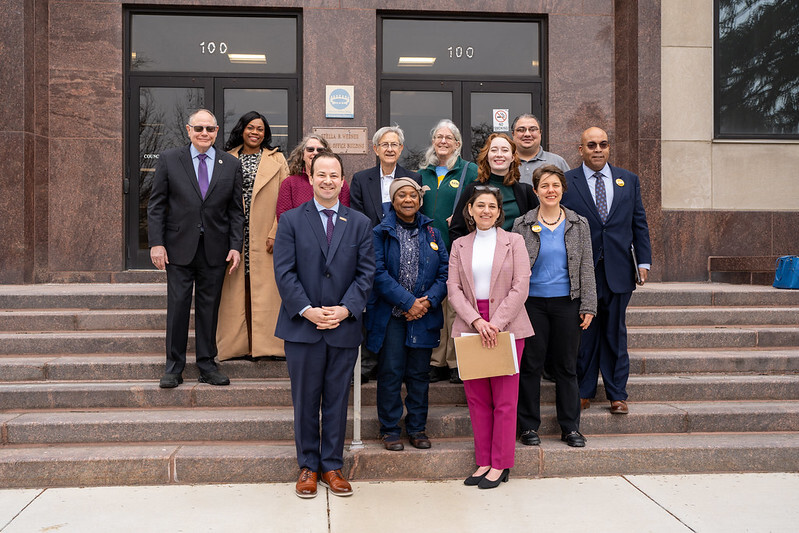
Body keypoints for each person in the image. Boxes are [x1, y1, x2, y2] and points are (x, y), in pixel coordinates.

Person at [273, 152, 376, 499]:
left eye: (335, 175)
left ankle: (332, 465)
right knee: (305, 399)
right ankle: (307, 466)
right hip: (303, 328)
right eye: (322, 175)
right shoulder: (290, 220)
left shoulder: (359, 223)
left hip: (343, 328)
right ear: (311, 177)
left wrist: (346, 310)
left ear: (343, 181)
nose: (328, 181)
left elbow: (366, 274)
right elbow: (284, 272)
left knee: (336, 399)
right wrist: (305, 309)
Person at [148, 108, 244, 388]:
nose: (204, 133)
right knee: (177, 308)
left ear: (216, 132)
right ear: (188, 130)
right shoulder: (169, 159)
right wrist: (157, 243)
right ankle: (174, 367)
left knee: (209, 309)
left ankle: (206, 365)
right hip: (178, 248)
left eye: (210, 129)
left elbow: (236, 211)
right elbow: (156, 205)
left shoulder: (230, 164)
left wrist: (236, 246)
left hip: (215, 249)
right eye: (199, 128)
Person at [561, 127, 652, 415]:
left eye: (603, 144)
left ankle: (617, 394)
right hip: (581, 270)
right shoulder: (567, 181)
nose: (597, 149)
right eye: (591, 145)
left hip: (618, 269)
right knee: (584, 333)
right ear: (581, 149)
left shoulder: (629, 180)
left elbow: (639, 222)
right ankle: (584, 391)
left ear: (609, 147)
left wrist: (644, 262)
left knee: (615, 333)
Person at [447, 187, 534, 489]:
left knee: (505, 399)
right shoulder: (459, 245)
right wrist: (476, 320)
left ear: (499, 211)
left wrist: (495, 323)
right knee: (477, 399)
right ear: (469, 210)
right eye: (479, 205)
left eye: (492, 206)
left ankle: (500, 464)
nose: (485, 210)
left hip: (507, 325)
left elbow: (521, 285)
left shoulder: (515, 241)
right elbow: (453, 289)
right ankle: (483, 460)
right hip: (471, 323)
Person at [512, 165, 597, 448]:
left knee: (566, 367)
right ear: (535, 191)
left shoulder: (578, 223)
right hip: (531, 304)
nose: (551, 190)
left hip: (567, 304)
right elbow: (514, 269)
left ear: (563, 190)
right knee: (530, 365)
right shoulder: (521, 225)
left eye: (555, 185)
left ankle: (570, 427)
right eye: (544, 186)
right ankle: (527, 427)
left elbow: (587, 266)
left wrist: (589, 304)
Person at [365, 177, 448, 452]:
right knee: (390, 373)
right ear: (393, 200)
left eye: (413, 195)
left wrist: (427, 302)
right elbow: (377, 274)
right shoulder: (380, 232)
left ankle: (416, 428)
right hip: (391, 317)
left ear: (420, 200)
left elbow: (445, 272)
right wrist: (408, 302)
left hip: (423, 316)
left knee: (418, 375)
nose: (408, 200)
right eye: (401, 195)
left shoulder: (433, 232)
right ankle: (389, 429)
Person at [215, 111, 289, 361]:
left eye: (260, 129)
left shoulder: (277, 159)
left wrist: (275, 233)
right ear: (242, 130)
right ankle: (236, 346)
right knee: (236, 288)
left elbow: (285, 200)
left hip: (265, 235)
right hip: (232, 235)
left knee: (264, 290)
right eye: (250, 127)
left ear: (265, 133)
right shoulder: (225, 158)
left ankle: (267, 345)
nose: (255, 132)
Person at [350, 126, 421, 382]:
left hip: (404, 250)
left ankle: (396, 363)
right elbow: (357, 216)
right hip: (371, 250)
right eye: (384, 144)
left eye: (394, 145)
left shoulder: (414, 177)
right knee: (372, 306)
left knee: (399, 303)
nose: (390, 149)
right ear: (375, 149)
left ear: (401, 149)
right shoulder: (360, 178)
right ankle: (369, 363)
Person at [418, 119, 478, 384]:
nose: (443, 141)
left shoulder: (470, 171)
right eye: (438, 137)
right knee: (434, 306)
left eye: (448, 137)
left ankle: (456, 361)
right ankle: (436, 361)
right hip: (429, 251)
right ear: (433, 142)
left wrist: (464, 214)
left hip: (459, 247)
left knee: (457, 306)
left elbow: (483, 202)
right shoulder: (422, 174)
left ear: (457, 143)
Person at [449, 132, 538, 242]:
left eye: (505, 150)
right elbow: (456, 230)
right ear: (487, 156)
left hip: (513, 255)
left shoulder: (526, 192)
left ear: (513, 157)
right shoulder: (471, 191)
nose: (499, 154)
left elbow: (536, 229)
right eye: (494, 150)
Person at [275, 134, 350, 221]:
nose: (315, 152)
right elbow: (283, 218)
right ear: (302, 155)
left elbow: (345, 216)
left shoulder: (339, 184)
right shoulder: (289, 183)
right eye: (310, 149)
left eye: (320, 150)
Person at [511, 114, 570, 185]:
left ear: (540, 133)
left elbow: (568, 191)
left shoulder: (557, 162)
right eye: (521, 130)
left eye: (532, 129)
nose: (527, 134)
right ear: (513, 134)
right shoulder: (504, 162)